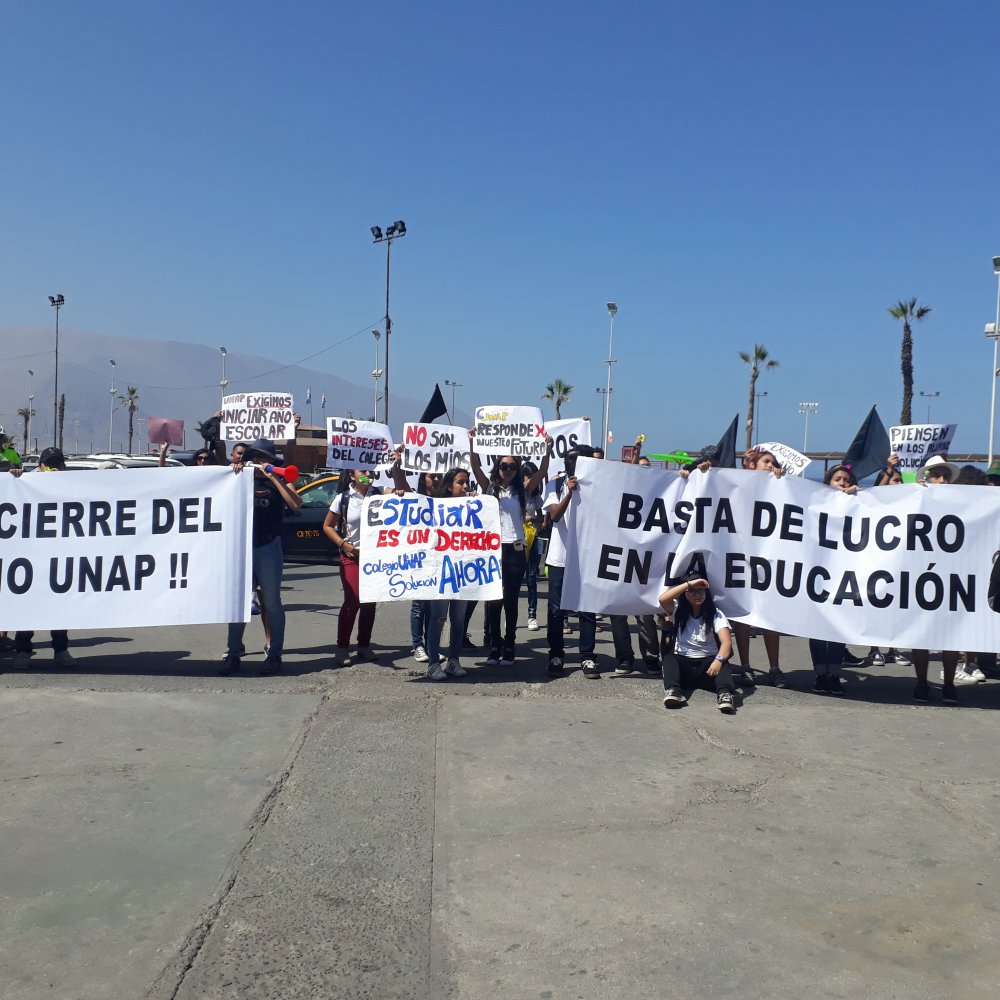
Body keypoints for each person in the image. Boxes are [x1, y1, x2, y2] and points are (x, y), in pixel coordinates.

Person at [468, 430, 551, 665]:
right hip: (493, 549)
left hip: (515, 548)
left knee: (511, 600)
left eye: (512, 466)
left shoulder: (522, 489)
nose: (508, 470)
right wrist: (472, 442)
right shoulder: (489, 487)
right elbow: (475, 467)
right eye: (504, 466)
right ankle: (494, 645)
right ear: (498, 468)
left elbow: (543, 471)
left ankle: (510, 644)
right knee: (493, 599)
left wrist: (546, 448)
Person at [221, 440, 302, 676]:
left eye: (262, 457)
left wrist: (274, 477)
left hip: (269, 547)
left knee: (272, 602)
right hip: (242, 547)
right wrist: (237, 472)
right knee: (238, 603)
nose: (258, 461)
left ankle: (274, 653)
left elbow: (296, 505)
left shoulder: (281, 479)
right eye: (254, 457)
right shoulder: (240, 476)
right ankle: (233, 653)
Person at [10, 447, 76, 670]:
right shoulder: (26, 483)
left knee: (58, 608)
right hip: (30, 558)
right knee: (27, 607)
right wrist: (15, 477)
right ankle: (22, 651)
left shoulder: (74, 486)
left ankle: (61, 650)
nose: (54, 468)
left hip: (58, 558)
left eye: (58, 463)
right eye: (50, 463)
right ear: (40, 466)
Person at [543, 444, 601, 678]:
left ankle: (587, 656)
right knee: (556, 611)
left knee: (587, 609)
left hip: (586, 557)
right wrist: (569, 492)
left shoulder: (599, 485)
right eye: (570, 460)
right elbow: (555, 516)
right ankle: (556, 654)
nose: (573, 464)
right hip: (559, 558)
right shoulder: (555, 484)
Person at [731, 447, 785, 687]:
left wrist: (783, 483)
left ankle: (774, 667)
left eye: (773, 462)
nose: (770, 466)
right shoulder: (737, 483)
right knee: (743, 616)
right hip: (741, 556)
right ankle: (745, 666)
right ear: (751, 464)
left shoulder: (780, 486)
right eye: (766, 461)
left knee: (770, 616)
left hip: (769, 558)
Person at [422, 468, 476, 681]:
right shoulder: (435, 506)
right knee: (438, 618)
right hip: (441, 573)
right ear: (449, 485)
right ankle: (434, 663)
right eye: (460, 482)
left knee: (459, 618)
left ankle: (454, 660)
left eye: (467, 483)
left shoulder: (472, 505)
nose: (465, 487)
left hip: (463, 572)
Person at [658, 573, 737, 714]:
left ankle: (725, 695)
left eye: (701, 591)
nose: (697, 595)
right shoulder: (677, 610)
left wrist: (718, 661)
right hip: (684, 667)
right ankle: (673, 691)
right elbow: (663, 599)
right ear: (685, 593)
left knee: (723, 661)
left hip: (708, 668)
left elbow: (727, 642)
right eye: (692, 591)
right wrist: (689, 584)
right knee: (669, 659)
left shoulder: (716, 613)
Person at [809, 465, 858, 694]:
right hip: (817, 572)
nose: (842, 482)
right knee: (818, 627)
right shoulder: (814, 501)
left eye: (846, 479)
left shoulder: (858, 501)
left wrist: (859, 497)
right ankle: (820, 675)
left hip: (843, 574)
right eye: (837, 479)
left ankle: (834, 674)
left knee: (838, 627)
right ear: (828, 482)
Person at [521, 461, 545, 632]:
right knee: (512, 582)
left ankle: (532, 615)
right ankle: (510, 615)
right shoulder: (516, 494)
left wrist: (533, 519)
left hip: (534, 539)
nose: (531, 481)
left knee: (531, 579)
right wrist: (529, 518)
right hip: (517, 541)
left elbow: (543, 519)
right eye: (529, 477)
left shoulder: (536, 497)